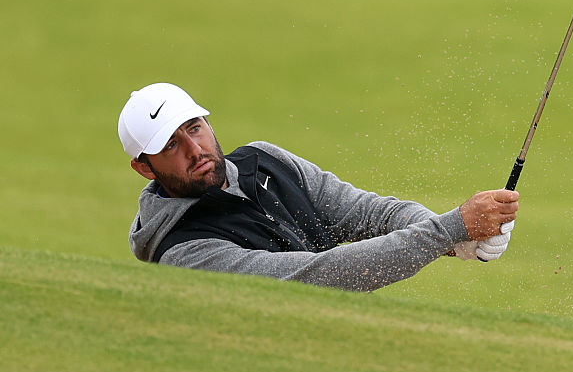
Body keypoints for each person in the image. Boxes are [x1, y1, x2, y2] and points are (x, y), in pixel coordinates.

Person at [118, 82, 518, 291]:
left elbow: (370, 213)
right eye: (171, 145)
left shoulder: (265, 160)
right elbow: (321, 277)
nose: (194, 149)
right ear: (144, 168)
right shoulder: (183, 252)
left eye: (194, 128)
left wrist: (457, 240)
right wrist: (449, 228)